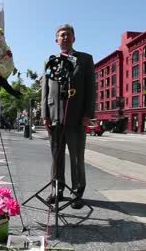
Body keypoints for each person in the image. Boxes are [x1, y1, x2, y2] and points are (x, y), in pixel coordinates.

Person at [41, 24, 96, 209]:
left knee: (76, 157)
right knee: (56, 157)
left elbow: (90, 89)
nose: (65, 38)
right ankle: (57, 190)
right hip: (55, 117)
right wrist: (44, 114)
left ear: (74, 38)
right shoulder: (49, 61)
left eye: (68, 35)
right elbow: (45, 90)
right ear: (56, 40)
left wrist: (88, 114)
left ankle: (77, 193)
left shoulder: (85, 60)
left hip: (76, 117)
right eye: (61, 35)